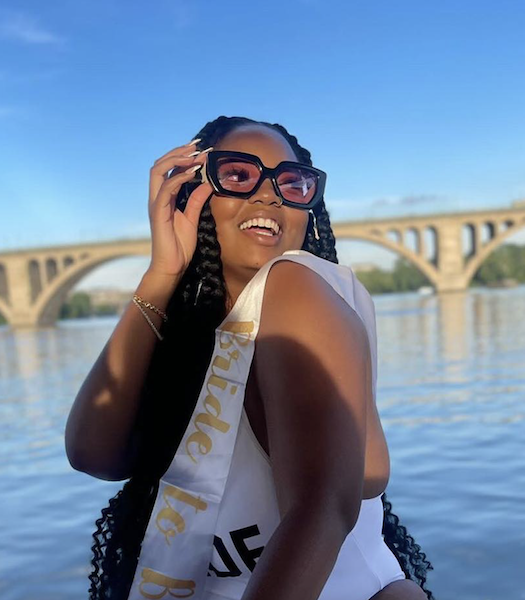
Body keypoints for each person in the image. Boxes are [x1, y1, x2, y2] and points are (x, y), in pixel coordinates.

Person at [65, 116, 434, 600]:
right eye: (238, 174)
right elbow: (94, 454)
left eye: (292, 182)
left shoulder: (296, 285)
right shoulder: (198, 338)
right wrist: (162, 273)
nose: (270, 195)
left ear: (309, 209)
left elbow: (323, 508)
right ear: (192, 195)